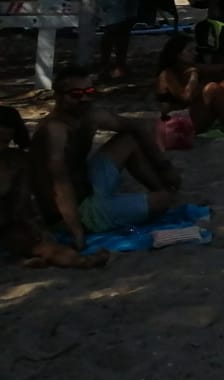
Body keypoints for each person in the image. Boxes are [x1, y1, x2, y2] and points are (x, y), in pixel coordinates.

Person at [29, 65, 181, 250]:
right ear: (58, 96)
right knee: (163, 201)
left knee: (128, 140)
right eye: (76, 94)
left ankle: (163, 189)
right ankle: (164, 196)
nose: (84, 98)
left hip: (88, 188)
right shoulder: (55, 131)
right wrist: (76, 231)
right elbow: (60, 184)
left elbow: (139, 126)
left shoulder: (90, 116)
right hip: (73, 211)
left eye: (89, 92)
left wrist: (164, 166)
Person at [1, 106, 110, 269]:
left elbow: (23, 204)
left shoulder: (18, 161)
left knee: (44, 246)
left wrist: (36, 229)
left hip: (9, 224)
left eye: (4, 140)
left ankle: (79, 261)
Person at [156, 34, 224, 138]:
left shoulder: (190, 67)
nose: (194, 54)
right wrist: (193, 77)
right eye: (189, 51)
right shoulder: (167, 74)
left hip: (189, 117)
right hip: (174, 125)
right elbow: (186, 97)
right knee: (213, 88)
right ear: (178, 55)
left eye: (194, 50)